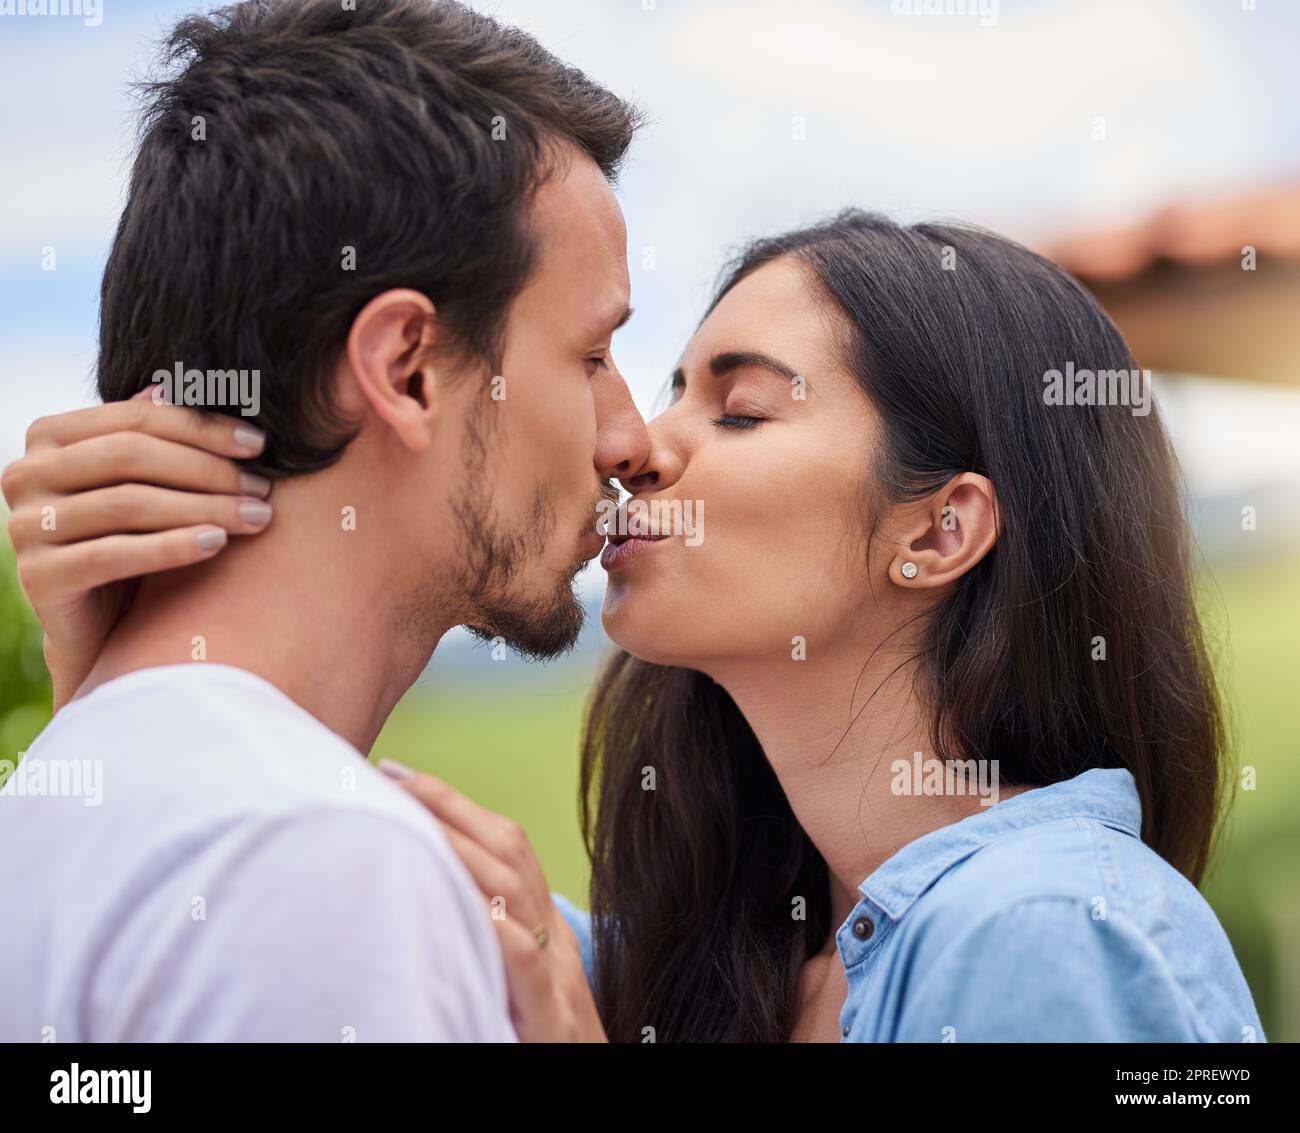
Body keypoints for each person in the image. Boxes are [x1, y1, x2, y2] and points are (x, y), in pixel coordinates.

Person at [0, 0, 647, 1042]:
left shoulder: (61, 807)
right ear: (406, 369)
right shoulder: (319, 860)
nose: (629, 439)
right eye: (588, 356)